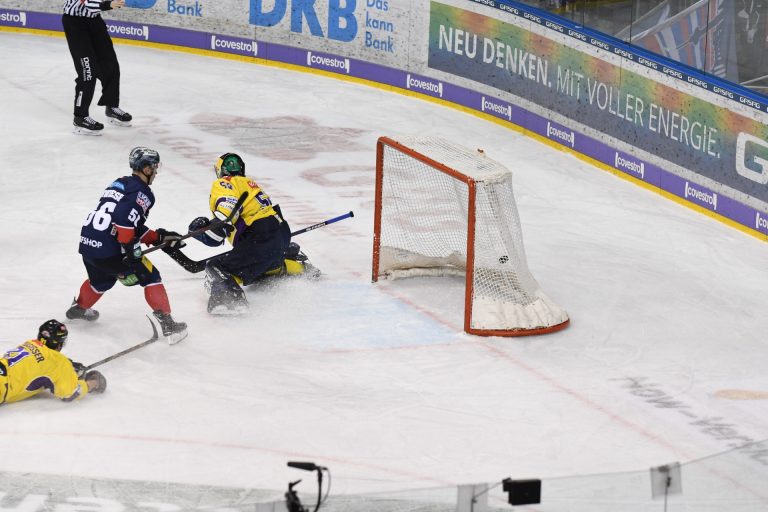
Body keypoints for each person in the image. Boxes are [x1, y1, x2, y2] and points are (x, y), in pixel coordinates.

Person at [67, 147, 188, 343]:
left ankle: (79, 309)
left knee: (101, 280)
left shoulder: (120, 183)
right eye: (154, 167)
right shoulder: (144, 192)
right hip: (111, 250)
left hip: (89, 245)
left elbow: (130, 223)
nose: (156, 172)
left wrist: (157, 237)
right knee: (151, 276)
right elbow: (123, 219)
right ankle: (168, 325)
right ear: (147, 169)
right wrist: (131, 249)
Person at [188, 153, 318, 314]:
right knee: (262, 264)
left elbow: (220, 227)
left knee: (216, 267)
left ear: (220, 171)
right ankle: (300, 267)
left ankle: (230, 300)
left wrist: (197, 231)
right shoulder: (249, 183)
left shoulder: (224, 182)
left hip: (259, 238)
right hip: (281, 235)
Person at [62, 0, 133, 135]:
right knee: (88, 72)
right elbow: (88, 3)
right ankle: (80, 117)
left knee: (111, 66)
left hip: (95, 22)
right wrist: (109, 4)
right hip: (75, 24)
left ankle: (112, 107)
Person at [1, 320, 106, 405]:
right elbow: (70, 393)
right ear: (58, 343)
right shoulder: (58, 363)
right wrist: (93, 383)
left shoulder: (30, 343)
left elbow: (38, 361)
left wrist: (69, 365)